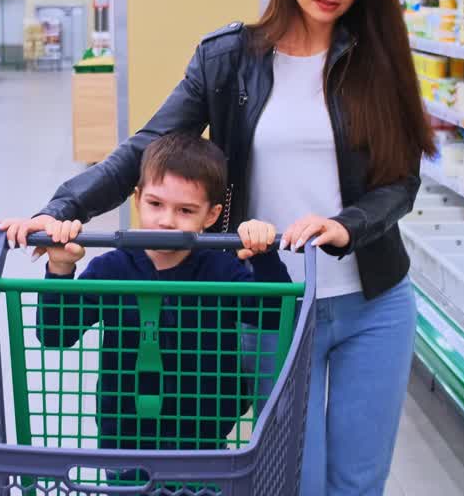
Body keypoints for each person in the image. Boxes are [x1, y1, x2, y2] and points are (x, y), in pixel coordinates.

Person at [1, 0, 436, 496]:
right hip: (273, 306)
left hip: (374, 301)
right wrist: (61, 209)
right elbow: (145, 146)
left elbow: (401, 181)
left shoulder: (377, 64)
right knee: (294, 478)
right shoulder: (228, 60)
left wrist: (349, 224)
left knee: (359, 482)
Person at [34, 131, 291, 466]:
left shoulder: (223, 269)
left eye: (185, 210)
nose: (167, 220)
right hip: (123, 442)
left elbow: (276, 318)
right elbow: (56, 335)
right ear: (137, 198)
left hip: (204, 441)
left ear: (211, 216)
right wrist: (60, 266)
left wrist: (263, 254)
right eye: (155, 204)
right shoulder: (111, 268)